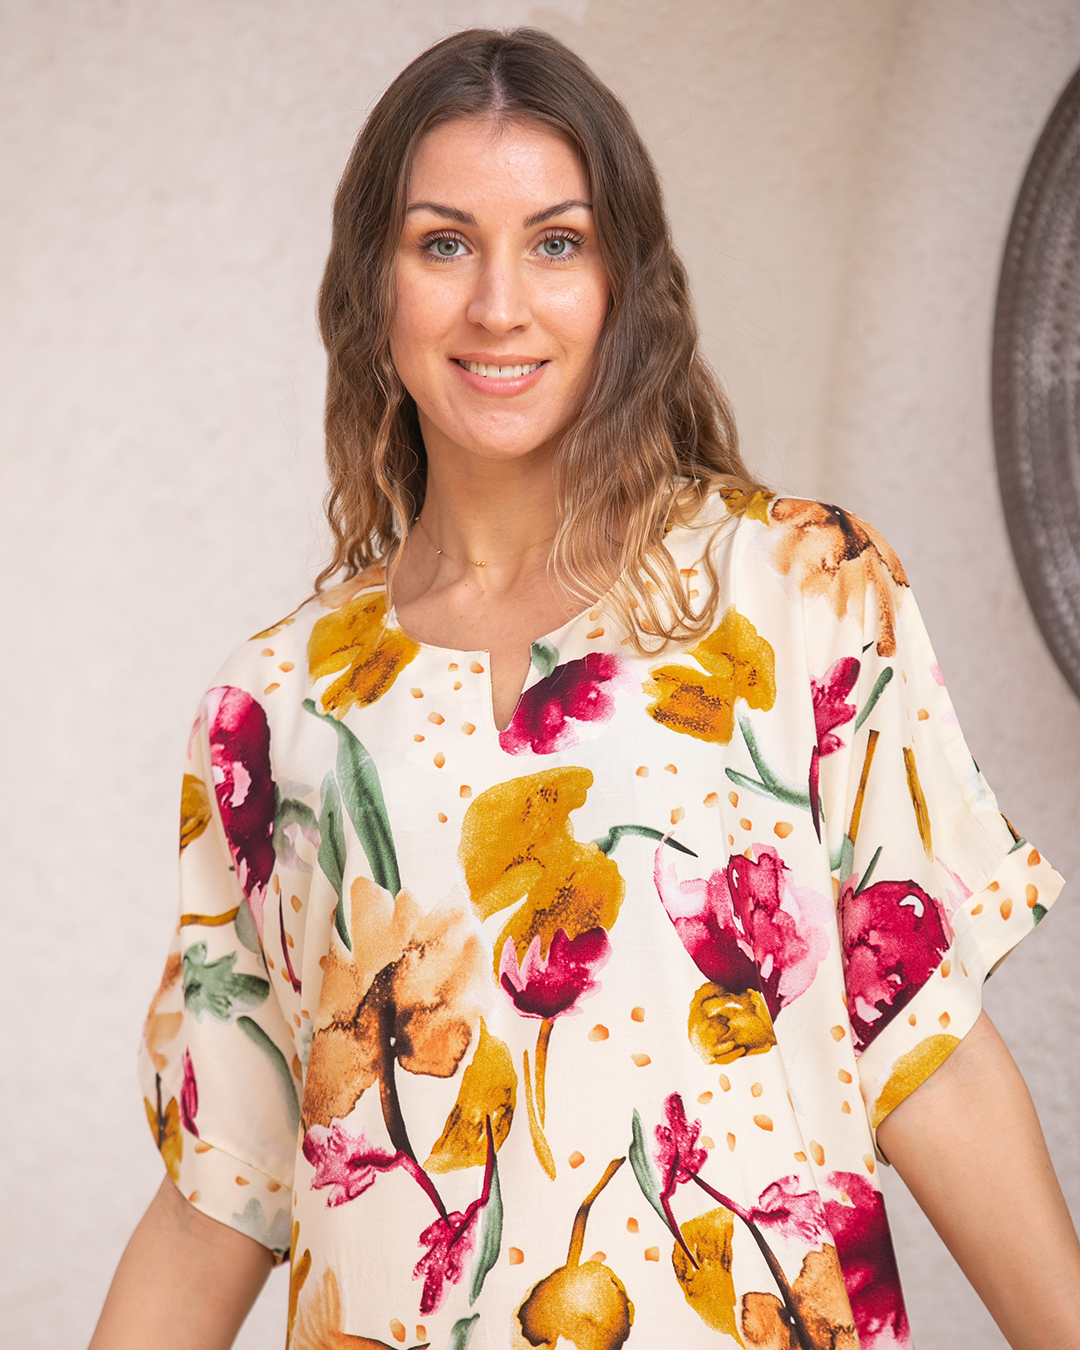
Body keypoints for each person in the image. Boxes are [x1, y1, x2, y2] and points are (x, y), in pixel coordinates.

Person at [90, 27, 1079, 1350]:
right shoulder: (276, 708)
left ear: (624, 283)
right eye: (445, 243)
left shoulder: (802, 589)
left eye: (556, 242)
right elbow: (221, 1191)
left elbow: (931, 1057)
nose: (500, 303)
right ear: (372, 288)